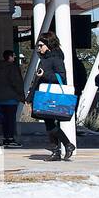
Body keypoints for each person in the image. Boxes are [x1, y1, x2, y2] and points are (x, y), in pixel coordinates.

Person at [31, 32, 75, 161]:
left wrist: (45, 75)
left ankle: (67, 145)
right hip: (43, 95)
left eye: (41, 45)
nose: (39, 48)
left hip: (52, 96)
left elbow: (61, 77)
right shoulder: (44, 59)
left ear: (48, 44)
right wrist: (30, 98)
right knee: (48, 124)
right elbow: (37, 80)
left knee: (50, 124)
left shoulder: (56, 58)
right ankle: (57, 151)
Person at [0, 49, 24, 148]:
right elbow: (16, 82)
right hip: (11, 98)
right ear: (9, 57)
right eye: (14, 56)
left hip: (0, 98)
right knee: (10, 119)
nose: (14, 58)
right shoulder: (12, 68)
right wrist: (21, 95)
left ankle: (6, 138)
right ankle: (10, 139)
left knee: (5, 120)